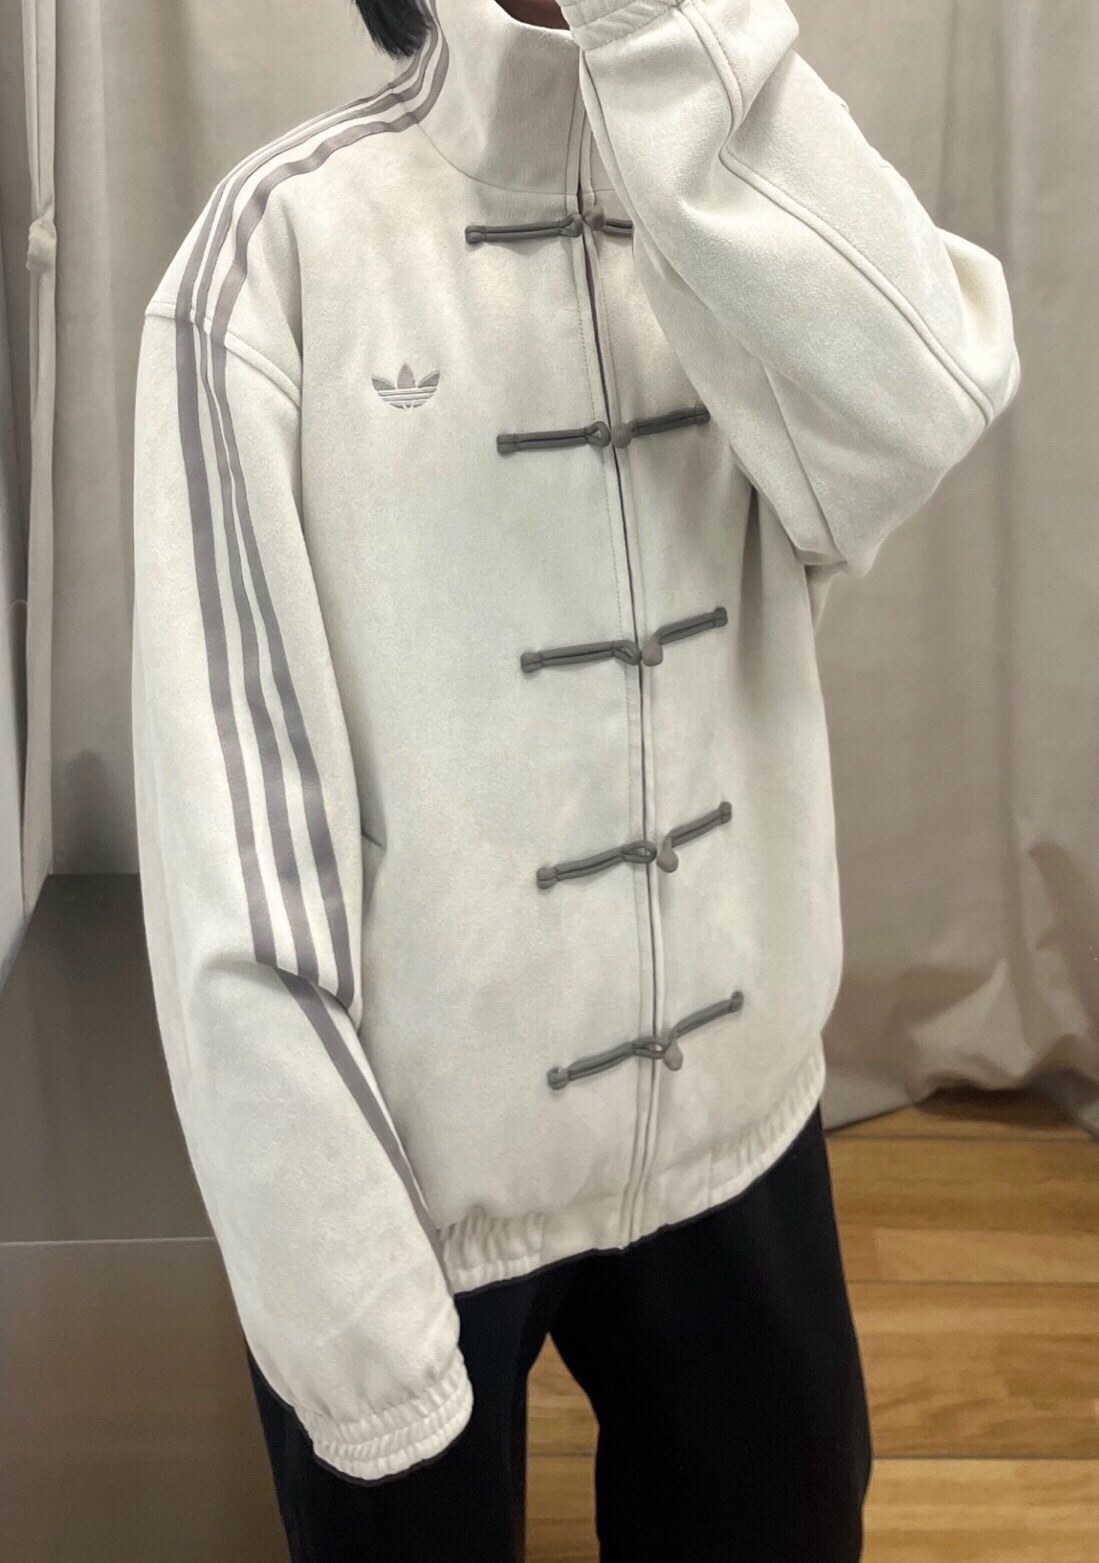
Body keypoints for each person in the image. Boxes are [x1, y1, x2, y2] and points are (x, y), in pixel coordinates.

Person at [129, 0, 1020, 1557]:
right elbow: (240, 846)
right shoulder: (281, 250)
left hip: (740, 1130)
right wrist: (362, 1340)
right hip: (424, 1176)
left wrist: (662, 35)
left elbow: (924, 403)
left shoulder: (743, 206)